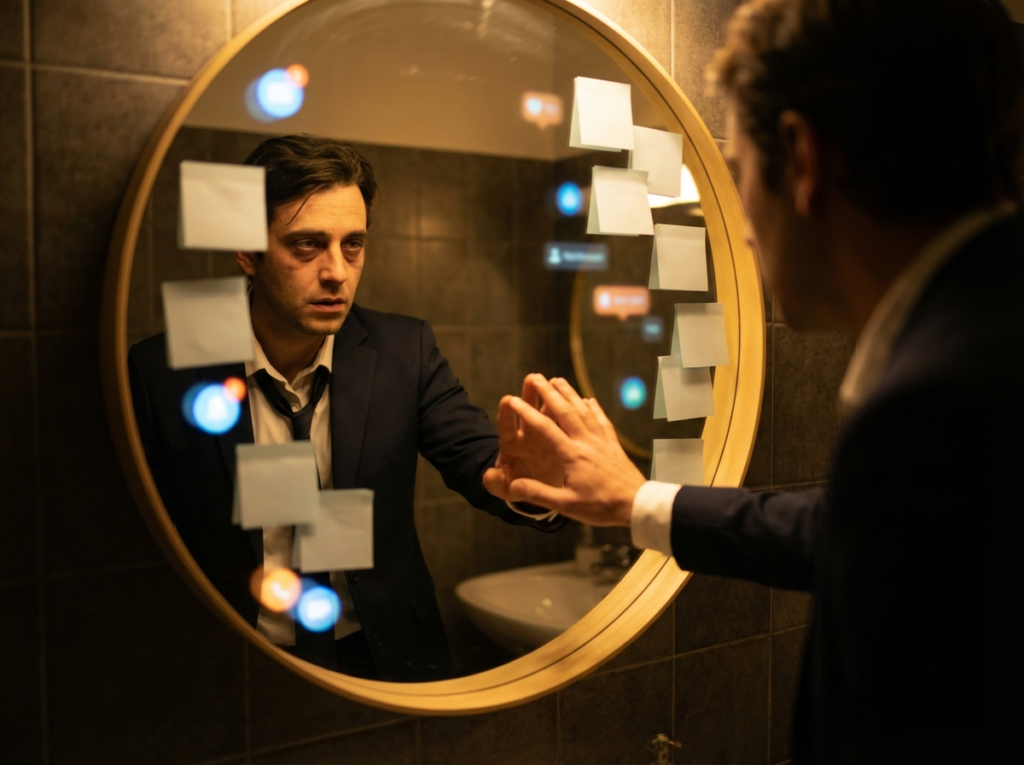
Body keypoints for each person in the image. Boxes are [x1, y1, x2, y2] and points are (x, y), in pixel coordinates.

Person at [483, 0, 1023, 761]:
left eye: (739, 177)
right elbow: (860, 531)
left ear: (802, 159)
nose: (740, 228)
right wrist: (637, 501)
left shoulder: (939, 394)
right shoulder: (984, 337)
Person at [129, 134, 563, 682]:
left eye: (352, 244)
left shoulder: (404, 350)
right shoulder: (165, 370)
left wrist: (534, 483)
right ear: (247, 252)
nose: (337, 271)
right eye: (307, 245)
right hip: (235, 661)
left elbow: (474, 453)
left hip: (385, 654)